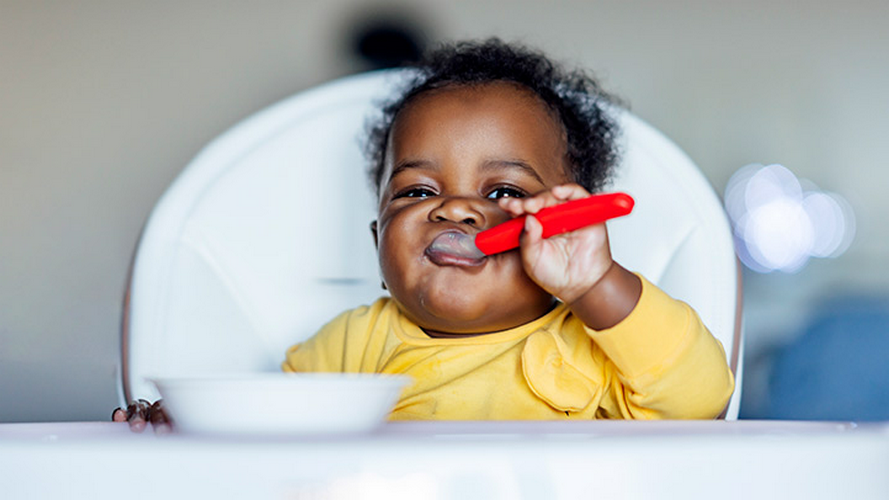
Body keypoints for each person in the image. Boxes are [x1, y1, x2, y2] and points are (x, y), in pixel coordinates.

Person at [115, 38, 733, 427]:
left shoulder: (593, 345)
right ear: (376, 236)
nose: (456, 211)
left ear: (566, 230)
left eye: (503, 193)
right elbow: (278, 433)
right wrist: (183, 426)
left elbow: (701, 397)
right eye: (417, 192)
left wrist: (597, 284)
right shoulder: (355, 344)